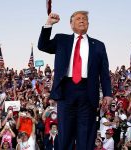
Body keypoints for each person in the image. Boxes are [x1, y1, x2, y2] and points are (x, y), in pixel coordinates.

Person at [38, 10, 112, 150]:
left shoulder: (99, 45)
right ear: (71, 24)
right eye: (78, 18)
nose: (82, 20)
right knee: (65, 133)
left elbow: (104, 72)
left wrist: (108, 93)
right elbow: (42, 45)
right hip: (66, 90)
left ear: (88, 24)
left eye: (84, 18)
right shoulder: (62, 40)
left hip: (88, 92)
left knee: (86, 135)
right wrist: (48, 24)